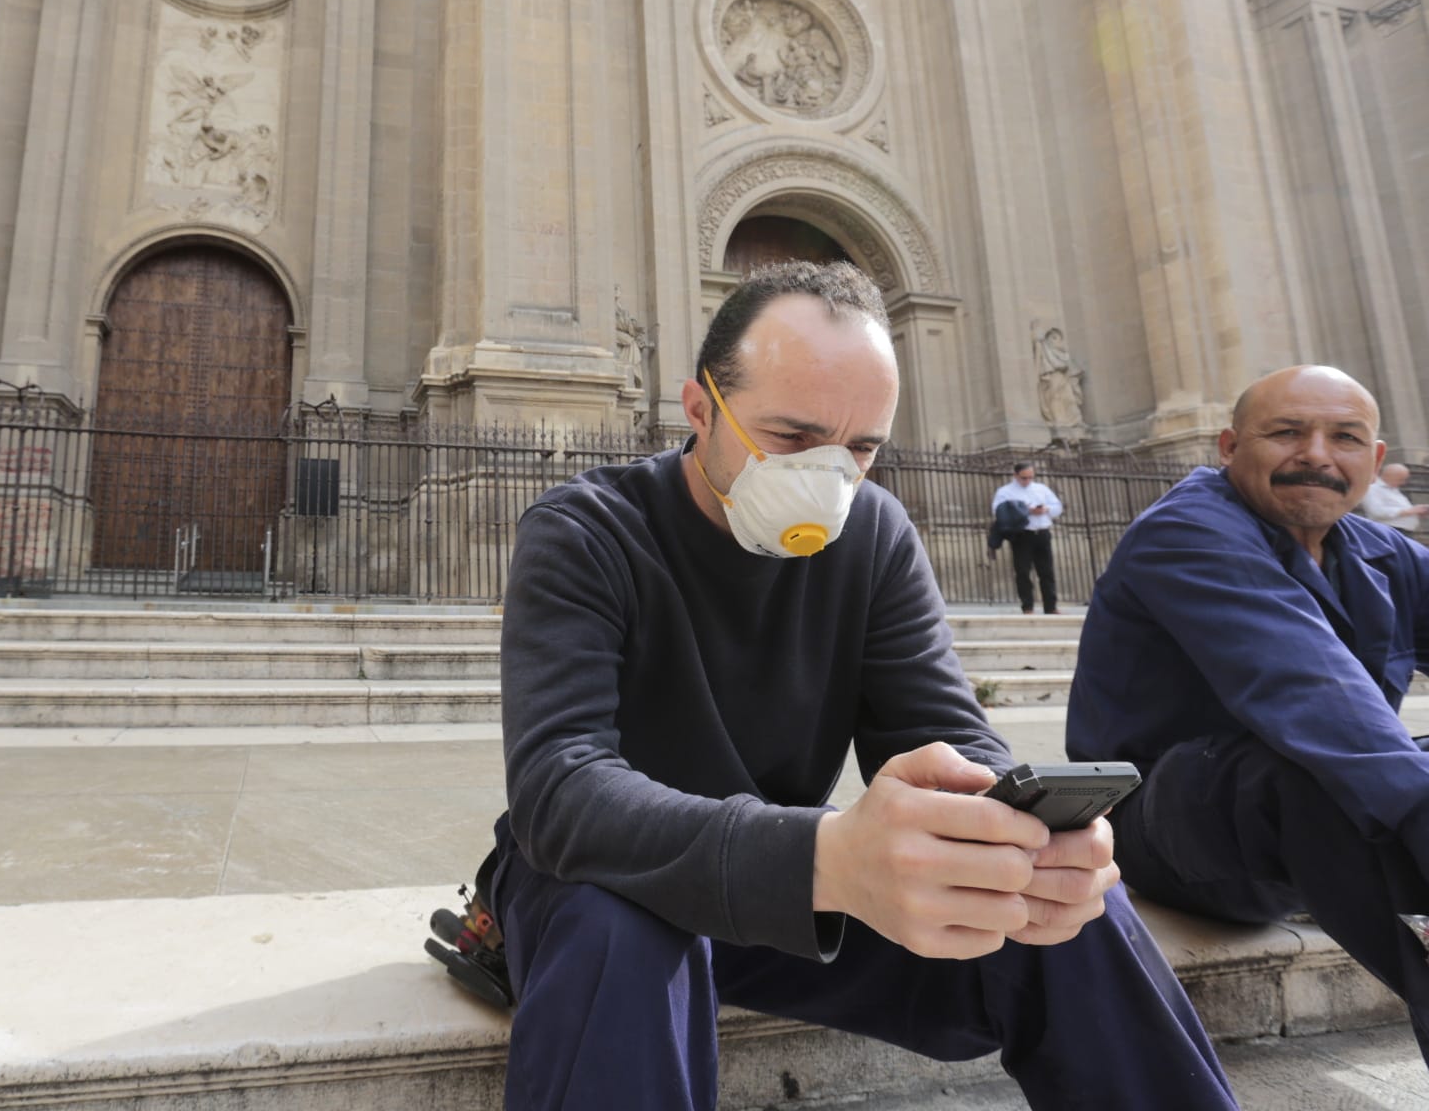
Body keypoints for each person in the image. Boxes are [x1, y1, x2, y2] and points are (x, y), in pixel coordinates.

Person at [489, 262, 1235, 1109]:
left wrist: (1017, 832)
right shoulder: (584, 530)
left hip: (789, 896)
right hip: (593, 876)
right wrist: (823, 857)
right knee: (615, 924)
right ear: (699, 410)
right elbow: (560, 794)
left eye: (861, 448)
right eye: (793, 437)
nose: (830, 476)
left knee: (1056, 908)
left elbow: (943, 736)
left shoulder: (872, 532)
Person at [1066, 365, 1429, 1063]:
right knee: (1310, 771)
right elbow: (1311, 695)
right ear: (1229, 447)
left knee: (1352, 777)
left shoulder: (1380, 552)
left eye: (1344, 437)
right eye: (1287, 432)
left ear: (1375, 462)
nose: (1318, 455)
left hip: (1324, 816)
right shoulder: (1188, 532)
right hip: (1170, 828)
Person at [990, 462, 1063, 613]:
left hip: (1042, 531)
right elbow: (999, 511)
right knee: (1023, 572)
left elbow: (1057, 507)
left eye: (1030, 477)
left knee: (1046, 572)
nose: (1027, 481)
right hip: (1022, 535)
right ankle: (1027, 606)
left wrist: (1045, 509)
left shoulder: (1041, 489)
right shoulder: (1005, 492)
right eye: (1024, 478)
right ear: (1015, 475)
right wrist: (1026, 511)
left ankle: (1051, 607)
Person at [1362, 462, 1427, 534]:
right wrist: (1408, 511)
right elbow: (1376, 512)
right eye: (1401, 479)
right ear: (1389, 476)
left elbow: (1400, 509)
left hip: (1402, 531)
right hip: (1389, 530)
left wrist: (1417, 512)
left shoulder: (1394, 490)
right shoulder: (1372, 489)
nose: (1403, 483)